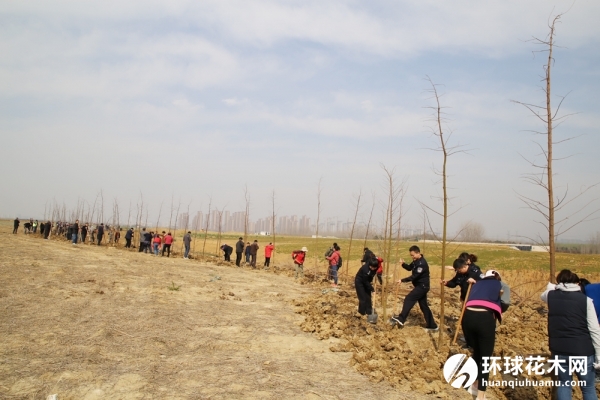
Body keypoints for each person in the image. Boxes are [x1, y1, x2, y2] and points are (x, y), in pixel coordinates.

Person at [541, 269, 600, 400]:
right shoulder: (586, 301)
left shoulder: (551, 296)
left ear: (559, 282)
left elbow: (543, 294)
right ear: (578, 283)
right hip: (583, 351)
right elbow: (595, 330)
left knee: (564, 384)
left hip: (559, 350)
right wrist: (599, 355)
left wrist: (556, 286)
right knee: (588, 388)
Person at [462, 269, 504, 399]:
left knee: (477, 353)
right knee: (485, 359)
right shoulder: (500, 285)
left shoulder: (478, 284)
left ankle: (471, 383)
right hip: (484, 319)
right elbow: (505, 303)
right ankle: (480, 395)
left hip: (467, 318)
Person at [390, 245, 438, 332]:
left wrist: (402, 280)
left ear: (418, 253)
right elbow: (409, 268)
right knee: (424, 306)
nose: (412, 257)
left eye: (413, 255)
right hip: (420, 286)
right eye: (411, 255)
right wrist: (403, 264)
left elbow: (414, 276)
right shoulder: (416, 261)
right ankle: (432, 325)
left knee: (409, 298)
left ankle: (401, 318)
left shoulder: (422, 264)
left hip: (422, 287)